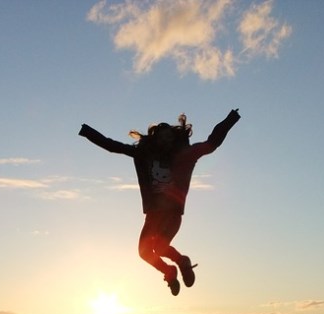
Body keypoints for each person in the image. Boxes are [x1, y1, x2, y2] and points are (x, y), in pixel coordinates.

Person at [78, 108, 241, 295]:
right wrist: (87, 131)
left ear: (174, 139)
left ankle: (182, 262)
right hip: (153, 215)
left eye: (169, 137)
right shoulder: (143, 155)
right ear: (154, 140)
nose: (165, 140)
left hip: (172, 213)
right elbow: (112, 146)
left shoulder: (186, 155)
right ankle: (170, 271)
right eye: (161, 137)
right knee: (145, 252)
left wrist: (230, 119)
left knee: (160, 247)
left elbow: (211, 143)